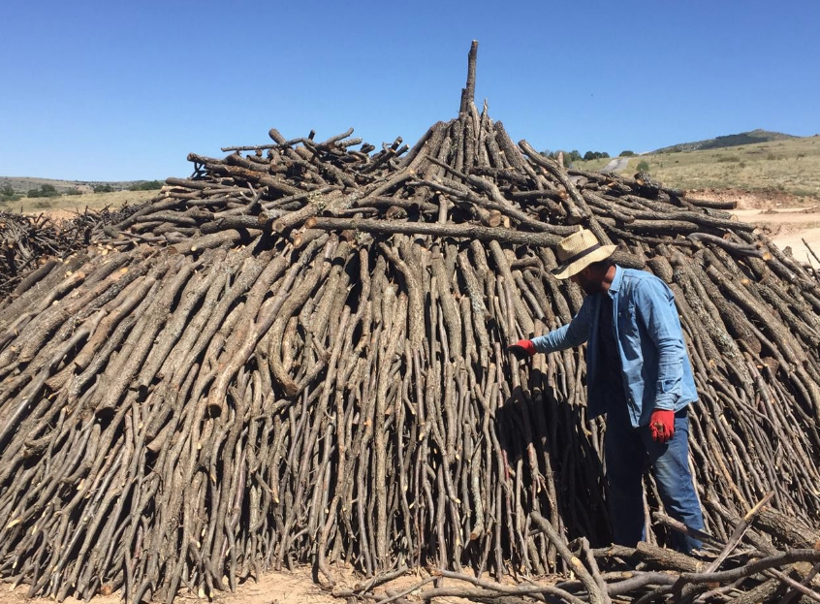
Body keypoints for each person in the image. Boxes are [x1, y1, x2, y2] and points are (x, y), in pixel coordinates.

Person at [508, 228, 705, 553]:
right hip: (623, 409)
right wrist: (533, 346)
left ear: (587, 269)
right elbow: (574, 333)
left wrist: (665, 406)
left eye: (574, 275)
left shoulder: (643, 289)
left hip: (658, 410)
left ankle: (699, 567)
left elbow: (671, 347)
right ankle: (632, 560)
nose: (572, 282)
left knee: (675, 491)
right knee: (622, 488)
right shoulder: (597, 299)